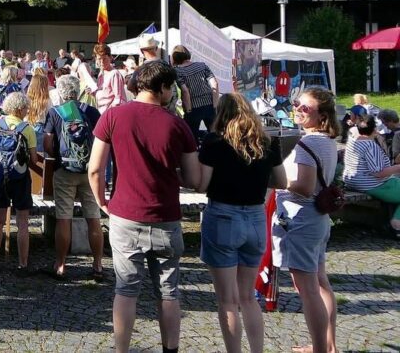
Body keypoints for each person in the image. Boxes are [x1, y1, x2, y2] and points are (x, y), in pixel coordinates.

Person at [87, 60, 200, 353]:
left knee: (125, 289)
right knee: (168, 292)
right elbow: (194, 178)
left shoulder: (112, 116)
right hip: (165, 214)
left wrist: (102, 201)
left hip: (125, 212)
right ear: (162, 88)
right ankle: (170, 349)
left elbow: (95, 169)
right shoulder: (178, 125)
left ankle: (122, 349)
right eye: (171, 87)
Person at [197, 93, 287, 353]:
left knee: (227, 301)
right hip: (256, 217)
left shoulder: (214, 142)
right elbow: (281, 182)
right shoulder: (267, 142)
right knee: (248, 298)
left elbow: (202, 183)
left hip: (224, 215)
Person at [272, 88, 340, 353]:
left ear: (321, 115)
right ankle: (328, 345)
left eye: (306, 108)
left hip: (301, 220)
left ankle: (321, 349)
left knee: (308, 290)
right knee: (320, 284)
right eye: (297, 104)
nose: (299, 110)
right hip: (317, 219)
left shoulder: (308, 143)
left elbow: (305, 186)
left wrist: (276, 181)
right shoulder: (326, 140)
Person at [43, 75, 104, 281]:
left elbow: (48, 143)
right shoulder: (92, 111)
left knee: (63, 218)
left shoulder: (55, 113)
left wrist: (58, 157)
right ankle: (97, 264)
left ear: (60, 92)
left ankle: (61, 264)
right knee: (93, 218)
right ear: (78, 91)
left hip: (64, 170)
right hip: (89, 171)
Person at [0, 91, 38, 274]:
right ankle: (23, 264)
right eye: (26, 107)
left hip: (1, 174)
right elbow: (34, 159)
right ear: (19, 108)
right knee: (23, 222)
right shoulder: (27, 129)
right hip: (20, 177)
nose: (27, 110)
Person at [343, 112, 400, 238]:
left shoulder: (352, 140)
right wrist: (397, 168)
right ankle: (397, 224)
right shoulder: (369, 145)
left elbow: (354, 129)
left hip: (353, 180)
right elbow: (379, 173)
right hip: (372, 184)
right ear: (374, 129)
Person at [172, 44, 218, 143]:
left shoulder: (178, 71)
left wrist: (188, 110)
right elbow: (215, 84)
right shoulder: (202, 65)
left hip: (193, 107)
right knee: (215, 136)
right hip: (209, 105)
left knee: (192, 138)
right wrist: (214, 106)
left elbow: (185, 91)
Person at [92, 44, 126, 115]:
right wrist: (93, 92)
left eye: (104, 59)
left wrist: (108, 114)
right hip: (100, 111)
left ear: (110, 58)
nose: (102, 62)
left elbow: (119, 99)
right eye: (99, 59)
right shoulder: (101, 73)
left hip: (109, 114)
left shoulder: (114, 74)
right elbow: (105, 94)